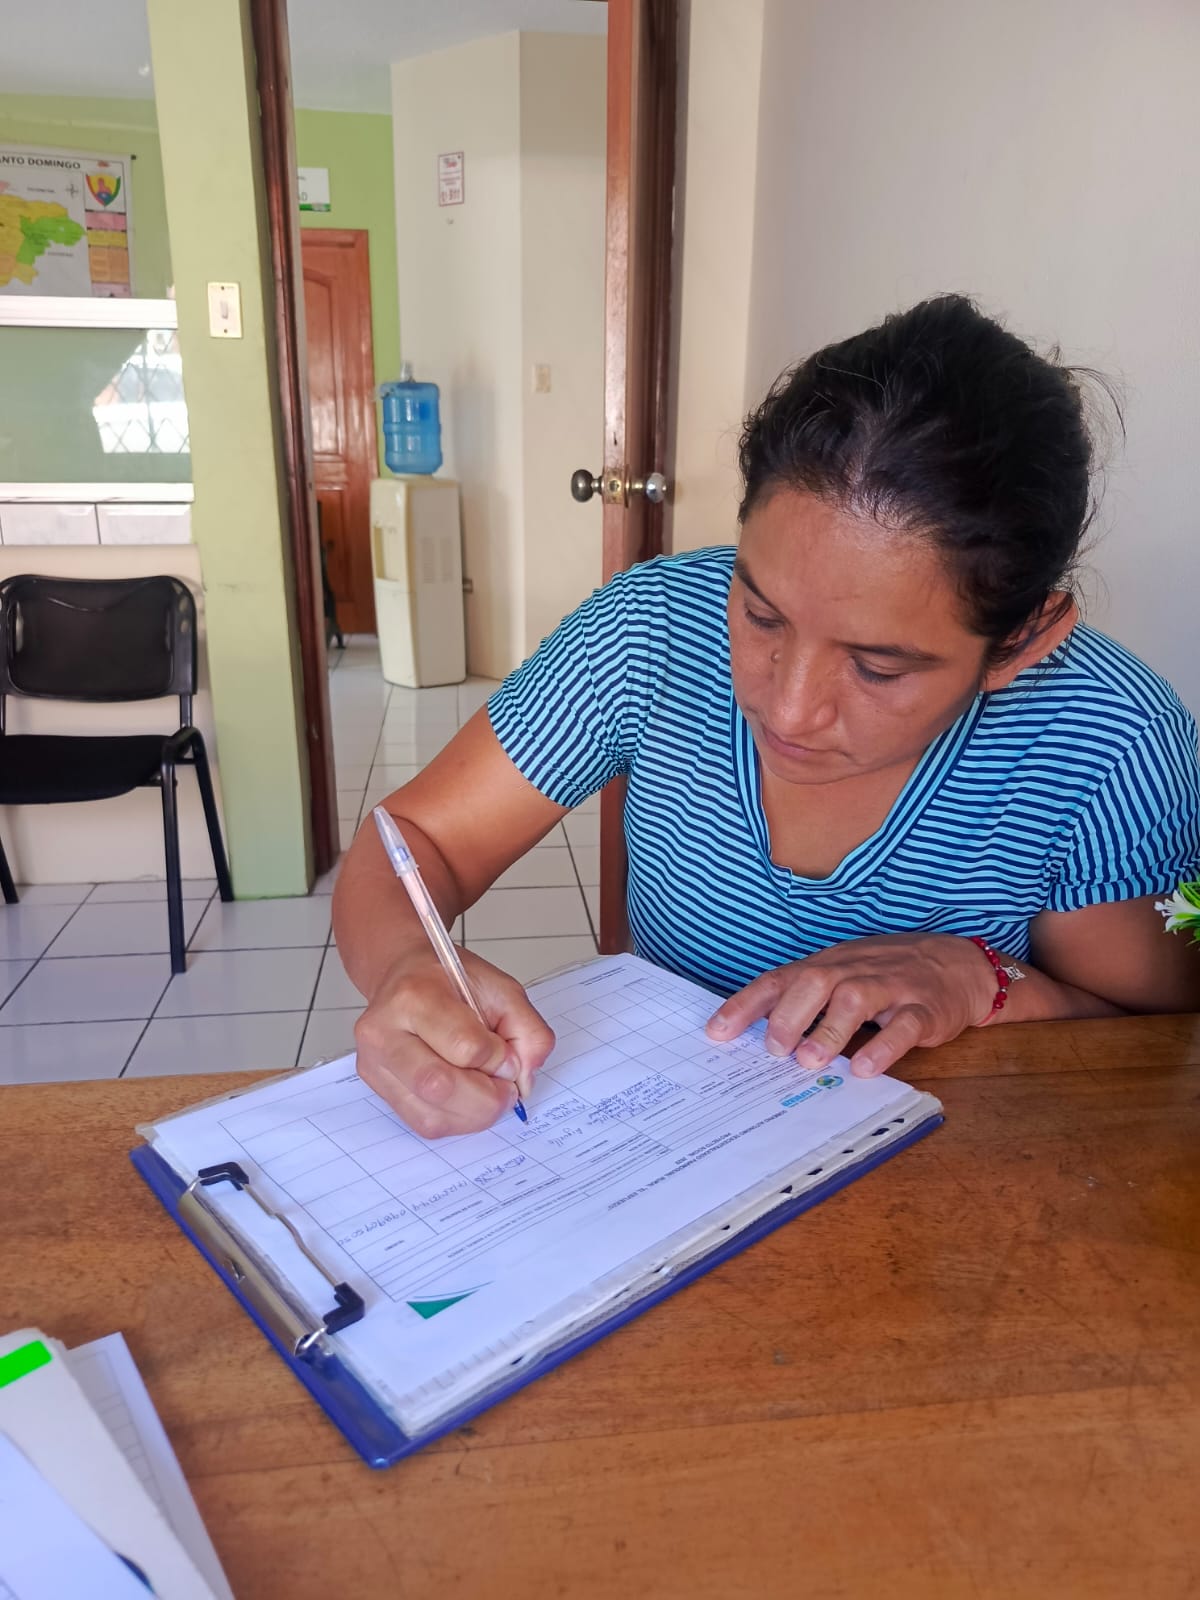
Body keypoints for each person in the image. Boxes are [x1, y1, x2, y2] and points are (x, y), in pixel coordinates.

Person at [332, 294, 1200, 1137]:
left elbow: (1157, 1038)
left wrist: (983, 982)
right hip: (671, 1151)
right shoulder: (653, 630)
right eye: (759, 614)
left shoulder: (1111, 741)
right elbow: (419, 839)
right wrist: (408, 963)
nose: (786, 708)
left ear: (1020, 643)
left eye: (877, 666)